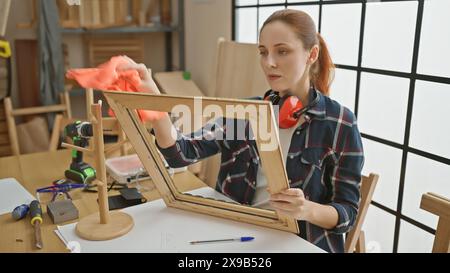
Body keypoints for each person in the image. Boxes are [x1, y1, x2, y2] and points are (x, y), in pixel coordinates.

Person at [118, 9, 364, 253]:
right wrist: (152, 98)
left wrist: (306, 209)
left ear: (312, 54)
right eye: (263, 52)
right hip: (235, 236)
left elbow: (347, 213)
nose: (269, 62)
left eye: (282, 51)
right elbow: (180, 153)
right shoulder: (244, 112)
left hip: (300, 242)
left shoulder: (340, 122)